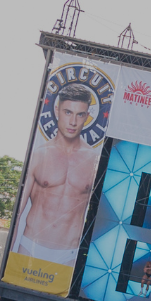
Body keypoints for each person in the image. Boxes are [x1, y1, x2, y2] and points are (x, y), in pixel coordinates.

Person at [12, 84, 102, 266]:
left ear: (87, 116)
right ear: (57, 111)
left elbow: (99, 220)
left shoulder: (94, 161)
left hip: (68, 253)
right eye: (68, 112)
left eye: (80, 115)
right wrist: (8, 258)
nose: (73, 122)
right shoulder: (39, 155)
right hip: (30, 246)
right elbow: (17, 214)